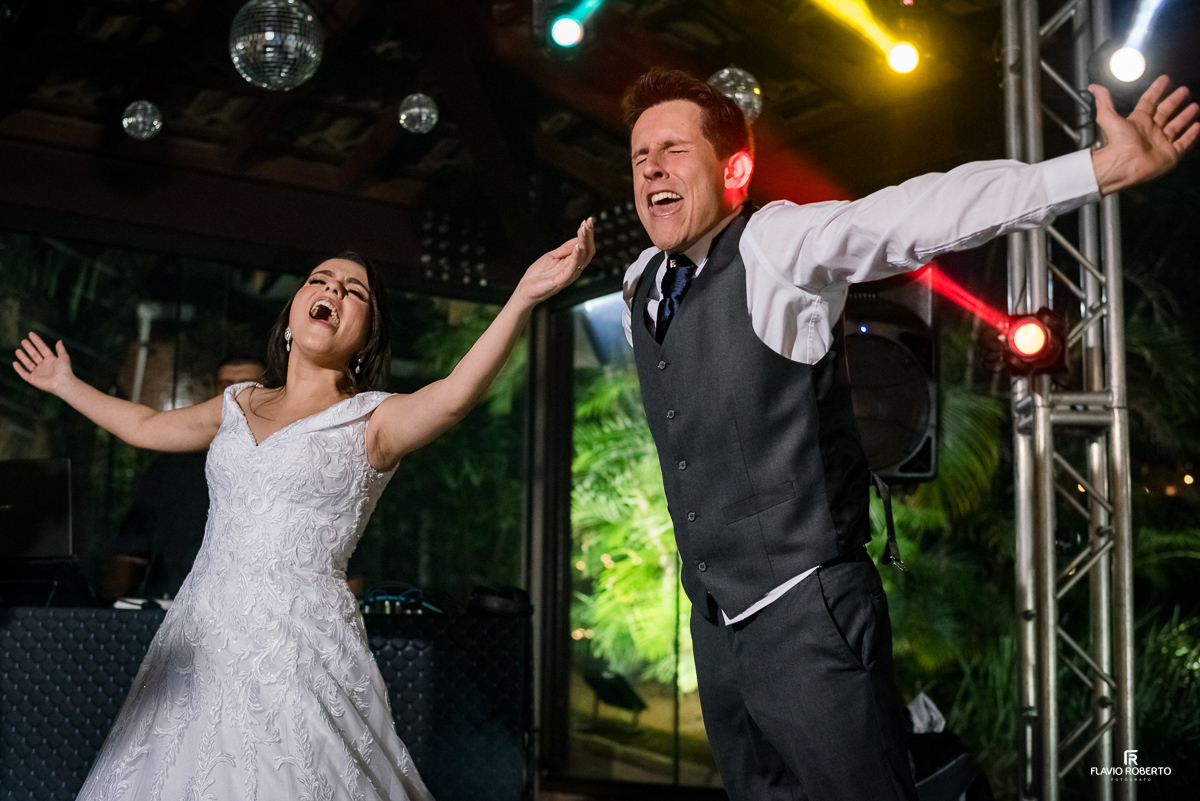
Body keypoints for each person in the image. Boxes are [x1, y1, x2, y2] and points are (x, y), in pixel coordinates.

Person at [618, 68, 1196, 801]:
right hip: (715, 617)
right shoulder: (643, 280)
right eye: (639, 156)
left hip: (806, 609)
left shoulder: (777, 243)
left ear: (735, 169)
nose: (652, 169)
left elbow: (916, 213)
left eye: (673, 149)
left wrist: (1098, 166)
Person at [12, 224, 595, 800]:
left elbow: (452, 397)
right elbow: (143, 426)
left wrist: (522, 297)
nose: (334, 291)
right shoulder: (237, 404)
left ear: (367, 338)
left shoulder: (373, 419)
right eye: (323, 280)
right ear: (293, 312)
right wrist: (65, 384)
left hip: (300, 647)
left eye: (354, 292)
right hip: (200, 633)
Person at [102, 356, 265, 601]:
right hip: (173, 608)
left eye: (247, 386)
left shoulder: (283, 462)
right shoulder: (173, 466)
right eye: (226, 386)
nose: (236, 396)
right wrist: (105, 616)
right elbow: (131, 551)